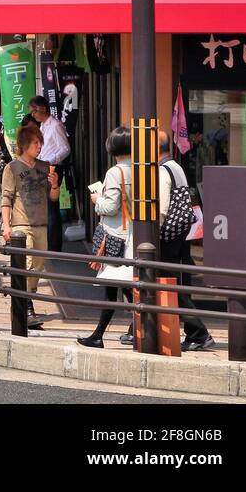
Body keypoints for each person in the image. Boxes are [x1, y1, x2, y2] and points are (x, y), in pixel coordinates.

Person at [78, 126, 136, 349]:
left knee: (114, 287)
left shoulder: (115, 172)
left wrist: (96, 200)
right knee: (125, 288)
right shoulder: (140, 169)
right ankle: (130, 328)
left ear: (112, 147)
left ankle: (99, 335)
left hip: (115, 235)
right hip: (131, 233)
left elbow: (110, 207)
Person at [158, 132, 215, 351]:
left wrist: (151, 235)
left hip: (169, 235)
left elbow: (162, 209)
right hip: (181, 232)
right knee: (177, 283)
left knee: (168, 285)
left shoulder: (163, 170)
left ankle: (199, 332)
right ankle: (194, 332)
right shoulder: (175, 166)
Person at [1, 124, 59, 330]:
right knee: (27, 265)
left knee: (38, 265)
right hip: (21, 224)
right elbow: (6, 199)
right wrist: (6, 226)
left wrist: (54, 184)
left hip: (41, 223)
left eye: (40, 142)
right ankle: (26, 306)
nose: (39, 146)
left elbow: (53, 198)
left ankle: (26, 299)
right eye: (36, 142)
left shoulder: (45, 166)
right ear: (24, 145)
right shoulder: (12, 168)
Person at [28, 95, 71, 253]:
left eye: (34, 111)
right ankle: (48, 242)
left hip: (52, 168)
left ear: (43, 109)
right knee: (46, 207)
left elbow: (65, 149)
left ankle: (53, 245)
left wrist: (50, 161)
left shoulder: (55, 125)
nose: (33, 114)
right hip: (43, 167)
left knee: (51, 207)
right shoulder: (44, 125)